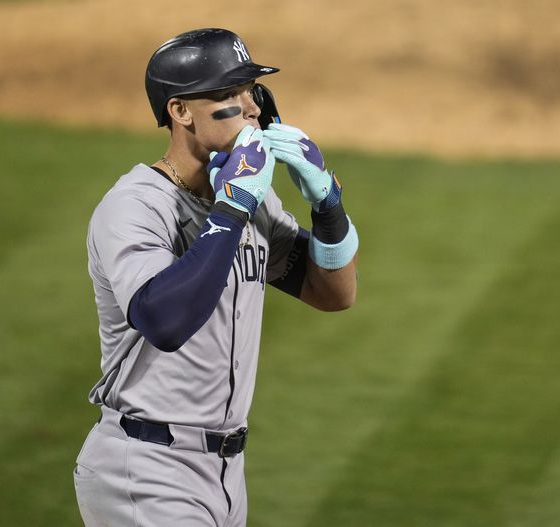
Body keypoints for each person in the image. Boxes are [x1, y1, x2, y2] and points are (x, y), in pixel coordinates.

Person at [73, 28, 358, 526]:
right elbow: (163, 321)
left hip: (225, 472)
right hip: (146, 466)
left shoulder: (250, 198)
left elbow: (332, 292)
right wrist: (230, 210)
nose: (249, 107)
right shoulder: (136, 206)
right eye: (228, 94)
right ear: (180, 111)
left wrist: (327, 203)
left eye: (250, 91)